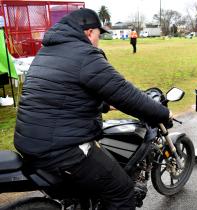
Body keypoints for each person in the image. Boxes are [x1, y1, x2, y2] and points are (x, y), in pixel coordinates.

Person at [14, 8, 171, 209]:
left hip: (30, 142)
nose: (99, 40)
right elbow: (126, 94)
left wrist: (104, 104)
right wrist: (164, 114)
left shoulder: (47, 52)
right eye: (99, 34)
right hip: (63, 149)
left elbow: (64, 94)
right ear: (89, 32)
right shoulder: (85, 54)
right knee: (122, 192)